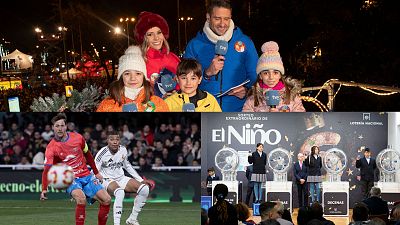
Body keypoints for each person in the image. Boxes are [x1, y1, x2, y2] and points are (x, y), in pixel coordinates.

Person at [183, 0, 258, 112]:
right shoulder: (194, 45)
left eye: (226, 19)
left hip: (238, 110)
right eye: (217, 18)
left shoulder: (245, 42)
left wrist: (247, 90)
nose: (222, 24)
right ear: (208, 17)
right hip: (205, 110)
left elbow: (256, 75)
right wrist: (207, 73)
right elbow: (185, 80)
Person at [40, 113, 111, 225]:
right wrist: (44, 189)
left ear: (66, 126)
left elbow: (88, 155)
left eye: (62, 125)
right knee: (81, 199)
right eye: (57, 126)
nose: (59, 128)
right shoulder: (51, 147)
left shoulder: (78, 138)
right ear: (53, 127)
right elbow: (47, 170)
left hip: (87, 176)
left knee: (106, 200)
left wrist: (96, 173)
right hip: (70, 178)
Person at [95, 131, 154, 225]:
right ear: (107, 141)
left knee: (144, 189)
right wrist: (91, 187)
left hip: (121, 178)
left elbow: (127, 166)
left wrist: (140, 180)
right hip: (106, 179)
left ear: (120, 141)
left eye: (117, 139)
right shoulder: (102, 153)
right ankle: (117, 223)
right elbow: (95, 171)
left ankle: (132, 219)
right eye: (112, 139)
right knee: (120, 192)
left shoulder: (123, 150)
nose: (115, 142)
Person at [96, 45, 169, 112]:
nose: (132, 78)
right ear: (121, 77)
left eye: (138, 73)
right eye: (127, 73)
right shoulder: (107, 105)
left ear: (143, 76)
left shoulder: (158, 104)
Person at [242, 41, 305, 112]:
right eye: (266, 73)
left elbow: (300, 118)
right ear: (260, 76)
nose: (271, 77)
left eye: (275, 72)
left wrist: (282, 118)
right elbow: (247, 120)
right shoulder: (252, 100)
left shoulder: (292, 97)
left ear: (280, 75)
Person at [134, 11, 180, 93]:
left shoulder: (173, 58)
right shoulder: (139, 62)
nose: (156, 38)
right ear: (144, 38)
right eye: (150, 34)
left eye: (159, 32)